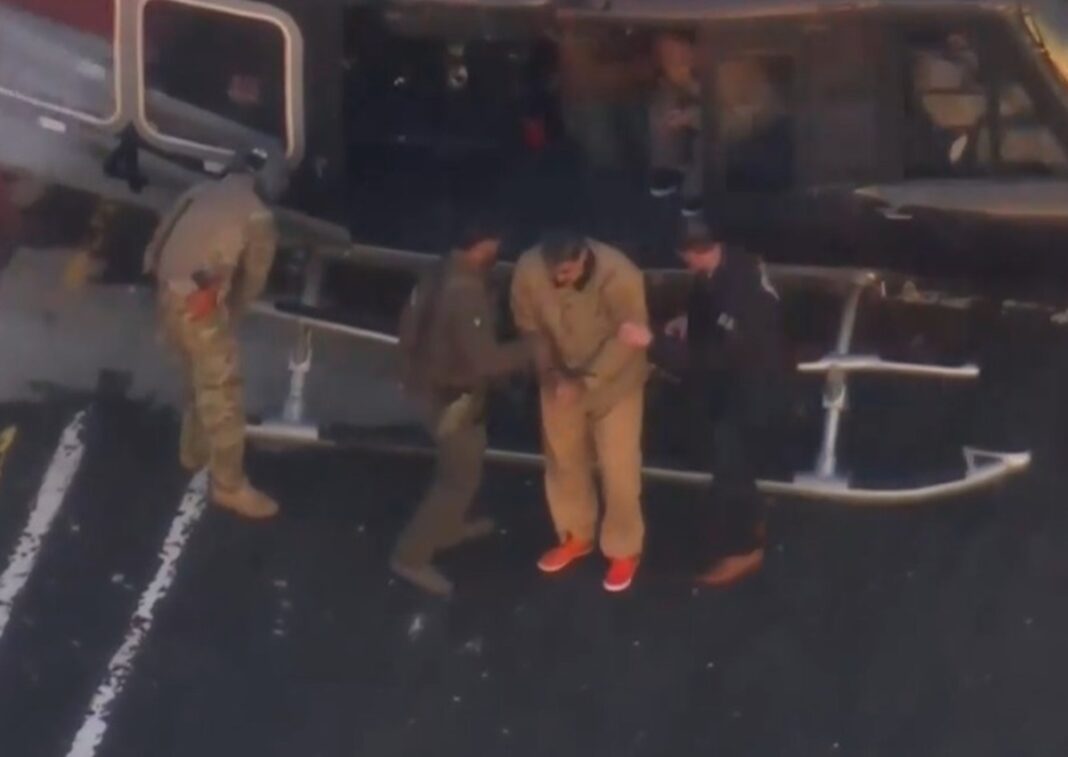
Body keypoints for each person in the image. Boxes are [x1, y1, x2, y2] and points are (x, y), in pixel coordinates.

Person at [618, 223, 786, 587]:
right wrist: (689, 323)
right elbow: (710, 320)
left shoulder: (741, 292)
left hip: (747, 389)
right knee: (735, 462)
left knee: (730, 468)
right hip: (733, 386)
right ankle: (754, 516)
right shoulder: (728, 271)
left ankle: (744, 548)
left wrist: (653, 343)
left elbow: (712, 358)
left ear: (693, 253)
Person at [391, 215, 537, 597]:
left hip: (427, 387)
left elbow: (408, 324)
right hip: (452, 398)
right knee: (457, 480)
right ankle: (411, 555)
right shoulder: (466, 291)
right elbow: (486, 360)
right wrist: (533, 348)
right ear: (483, 244)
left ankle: (447, 527)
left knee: (457, 467)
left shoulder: (437, 270)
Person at [144, 146, 288, 519]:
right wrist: (228, 316)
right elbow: (253, 280)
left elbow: (157, 243)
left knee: (196, 376)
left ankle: (193, 450)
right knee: (223, 397)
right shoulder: (258, 216)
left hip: (168, 293)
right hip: (200, 304)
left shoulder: (199, 191)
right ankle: (229, 487)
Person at [510, 229, 649, 593]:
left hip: (615, 383)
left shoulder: (621, 274)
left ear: (584, 258)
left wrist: (585, 383)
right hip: (557, 379)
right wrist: (552, 374)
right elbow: (530, 328)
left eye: (566, 272)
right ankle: (575, 535)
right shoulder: (528, 268)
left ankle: (623, 549)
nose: (559, 280)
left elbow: (630, 337)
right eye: (553, 273)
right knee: (563, 459)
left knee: (619, 467)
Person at [648, 32, 703, 218]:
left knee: (705, 142)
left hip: (726, 120)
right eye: (669, 58)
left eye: (682, 56)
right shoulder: (666, 86)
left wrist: (692, 115)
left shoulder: (725, 67)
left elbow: (730, 108)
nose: (678, 62)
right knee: (663, 107)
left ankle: (695, 192)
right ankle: (668, 168)